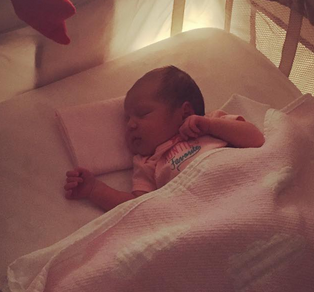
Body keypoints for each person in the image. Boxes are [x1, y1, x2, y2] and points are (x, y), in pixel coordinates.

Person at [64, 66, 264, 211]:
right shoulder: (147, 163)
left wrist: (210, 125)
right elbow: (140, 209)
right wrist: (95, 189)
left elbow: (256, 140)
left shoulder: (211, 124)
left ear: (185, 113)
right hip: (203, 210)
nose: (130, 125)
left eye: (142, 114)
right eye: (127, 119)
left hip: (245, 184)